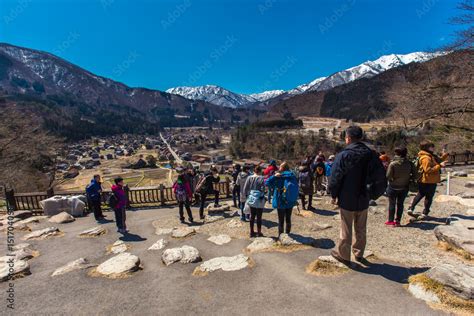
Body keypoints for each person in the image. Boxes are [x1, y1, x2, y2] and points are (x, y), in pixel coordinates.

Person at [329, 126, 386, 265]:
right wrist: (374, 194)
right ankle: (359, 253)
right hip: (364, 196)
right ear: (361, 138)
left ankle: (344, 255)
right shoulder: (371, 154)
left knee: (346, 227)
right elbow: (381, 176)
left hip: (346, 196)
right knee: (361, 227)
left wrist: (334, 194)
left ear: (348, 138)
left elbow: (335, 177)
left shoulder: (344, 155)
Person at [407, 141, 448, 219]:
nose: (433, 148)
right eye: (431, 147)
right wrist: (439, 166)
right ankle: (423, 212)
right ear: (427, 148)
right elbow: (427, 170)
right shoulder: (426, 157)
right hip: (427, 180)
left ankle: (412, 209)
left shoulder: (430, 155)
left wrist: (445, 153)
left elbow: (439, 159)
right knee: (427, 196)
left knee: (421, 194)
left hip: (428, 180)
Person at [265, 162, 299, 236]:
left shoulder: (279, 176)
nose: (279, 168)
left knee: (281, 220)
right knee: (288, 218)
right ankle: (288, 234)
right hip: (290, 200)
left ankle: (281, 236)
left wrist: (274, 176)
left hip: (280, 200)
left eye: (280, 166)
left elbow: (267, 182)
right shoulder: (292, 176)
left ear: (282, 168)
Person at [385, 147, 414, 227]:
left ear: (396, 153)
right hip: (404, 186)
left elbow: (388, 176)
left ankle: (390, 221)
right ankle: (398, 221)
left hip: (393, 187)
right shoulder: (409, 163)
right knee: (400, 204)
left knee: (392, 204)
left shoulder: (393, 164)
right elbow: (415, 175)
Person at [242, 165, 266, 237]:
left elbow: (245, 189)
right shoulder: (262, 178)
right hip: (259, 199)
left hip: (251, 198)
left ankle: (251, 232)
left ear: (254, 171)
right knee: (259, 216)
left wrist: (248, 197)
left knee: (252, 216)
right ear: (260, 171)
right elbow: (264, 189)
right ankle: (259, 232)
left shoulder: (249, 178)